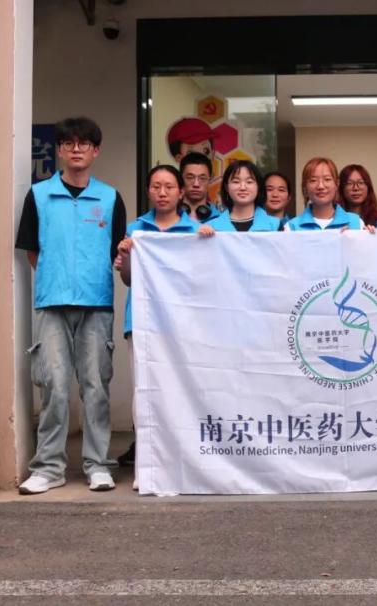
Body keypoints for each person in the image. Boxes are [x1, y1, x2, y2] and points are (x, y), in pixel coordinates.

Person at [15, 117, 127, 494]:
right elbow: (33, 252)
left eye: (84, 144)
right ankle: (49, 467)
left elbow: (117, 253)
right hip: (51, 303)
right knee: (54, 386)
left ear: (96, 151)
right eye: (68, 143)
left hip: (97, 304)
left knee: (96, 386)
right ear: (60, 150)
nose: (76, 149)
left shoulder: (110, 198)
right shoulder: (39, 196)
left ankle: (98, 465)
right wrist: (59, 279)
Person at [114, 165, 214, 488]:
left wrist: (208, 241)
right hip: (142, 321)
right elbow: (129, 279)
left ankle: (182, 465)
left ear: (180, 192)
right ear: (148, 191)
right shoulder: (136, 230)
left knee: (182, 393)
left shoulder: (194, 230)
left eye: (169, 186)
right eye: (156, 186)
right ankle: (147, 468)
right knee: (144, 393)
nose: (162, 192)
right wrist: (125, 255)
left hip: (181, 326)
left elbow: (202, 279)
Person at [286, 158, 365, 231]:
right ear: (305, 188)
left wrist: (370, 236)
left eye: (327, 179)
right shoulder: (291, 227)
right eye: (313, 180)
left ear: (337, 184)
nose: (321, 186)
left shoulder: (356, 223)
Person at [206, 160, 280, 232]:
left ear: (258, 186)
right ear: (226, 187)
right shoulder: (210, 227)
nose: (243, 187)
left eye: (249, 182)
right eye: (236, 182)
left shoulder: (275, 225)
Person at [179, 152, 221, 223]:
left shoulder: (221, 218)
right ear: (180, 179)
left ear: (210, 180)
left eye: (202, 178)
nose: (196, 184)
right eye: (190, 177)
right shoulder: (167, 216)